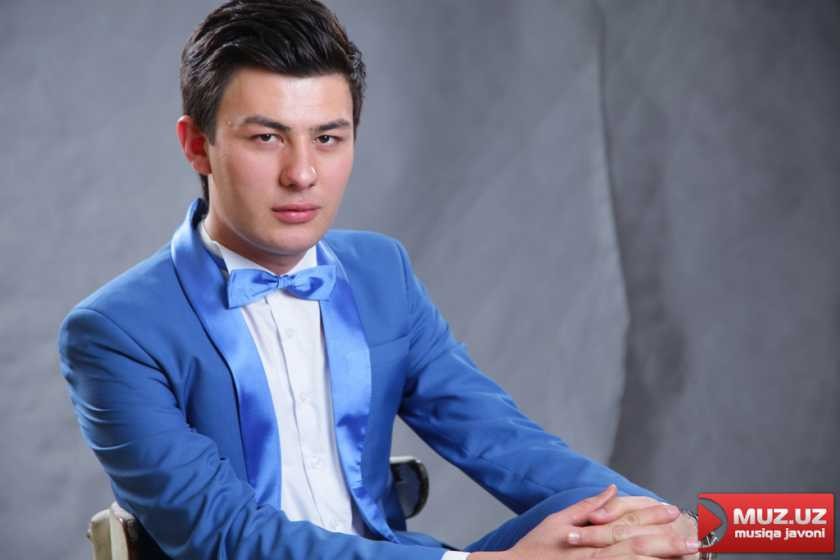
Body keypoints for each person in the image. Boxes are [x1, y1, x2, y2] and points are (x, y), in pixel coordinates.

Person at [58, 1, 703, 558]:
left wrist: (663, 523)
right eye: (267, 138)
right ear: (197, 145)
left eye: (328, 139)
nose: (302, 174)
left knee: (610, 533)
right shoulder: (115, 331)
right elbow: (225, 536)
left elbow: (496, 437)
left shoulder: (380, 271)